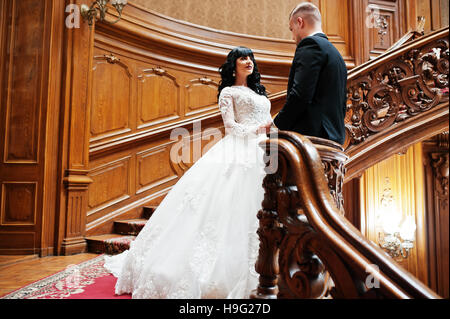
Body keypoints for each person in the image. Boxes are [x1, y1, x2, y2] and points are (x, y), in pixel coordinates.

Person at [104, 46, 273, 299]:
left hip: (264, 152)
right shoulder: (228, 92)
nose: (249, 61)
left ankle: (268, 267)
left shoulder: (260, 92)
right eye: (243, 58)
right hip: (239, 152)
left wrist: (271, 130)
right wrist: (257, 130)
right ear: (233, 65)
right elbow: (231, 127)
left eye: (250, 58)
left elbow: (269, 119)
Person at [273, 2, 347, 145]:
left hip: (312, 137)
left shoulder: (310, 45)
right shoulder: (336, 54)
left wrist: (276, 125)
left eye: (291, 29)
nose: (292, 36)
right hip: (334, 137)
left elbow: (300, 95)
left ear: (300, 22)